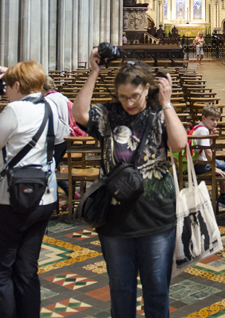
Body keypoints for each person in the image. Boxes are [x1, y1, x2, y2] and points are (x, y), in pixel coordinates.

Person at [72, 49, 187, 318]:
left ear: (147, 88)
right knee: (121, 291)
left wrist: (167, 103)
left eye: (135, 96)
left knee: (157, 292)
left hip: (156, 219)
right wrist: (94, 72)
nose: (129, 103)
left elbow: (179, 145)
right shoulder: (109, 114)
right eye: (123, 96)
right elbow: (79, 113)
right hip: (115, 221)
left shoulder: (159, 114)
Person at [0, 61, 66, 318]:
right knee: (28, 268)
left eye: (7, 87)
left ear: (17, 85)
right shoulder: (50, 106)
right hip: (45, 196)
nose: (6, 92)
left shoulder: (15, 109)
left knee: (3, 269)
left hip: (12, 198)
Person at [42, 76, 86, 195]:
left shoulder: (48, 100)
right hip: (65, 137)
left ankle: (69, 192)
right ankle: (69, 192)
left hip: (55, 138)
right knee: (54, 167)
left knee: (49, 169)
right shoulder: (62, 97)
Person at [192, 104, 225, 211]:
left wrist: (212, 137)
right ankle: (224, 197)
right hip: (200, 165)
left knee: (223, 164)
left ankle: (224, 196)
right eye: (212, 119)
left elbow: (207, 147)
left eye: (217, 120)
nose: (215, 123)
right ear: (203, 118)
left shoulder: (199, 127)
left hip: (196, 162)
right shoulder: (203, 131)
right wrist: (214, 168)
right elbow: (208, 152)